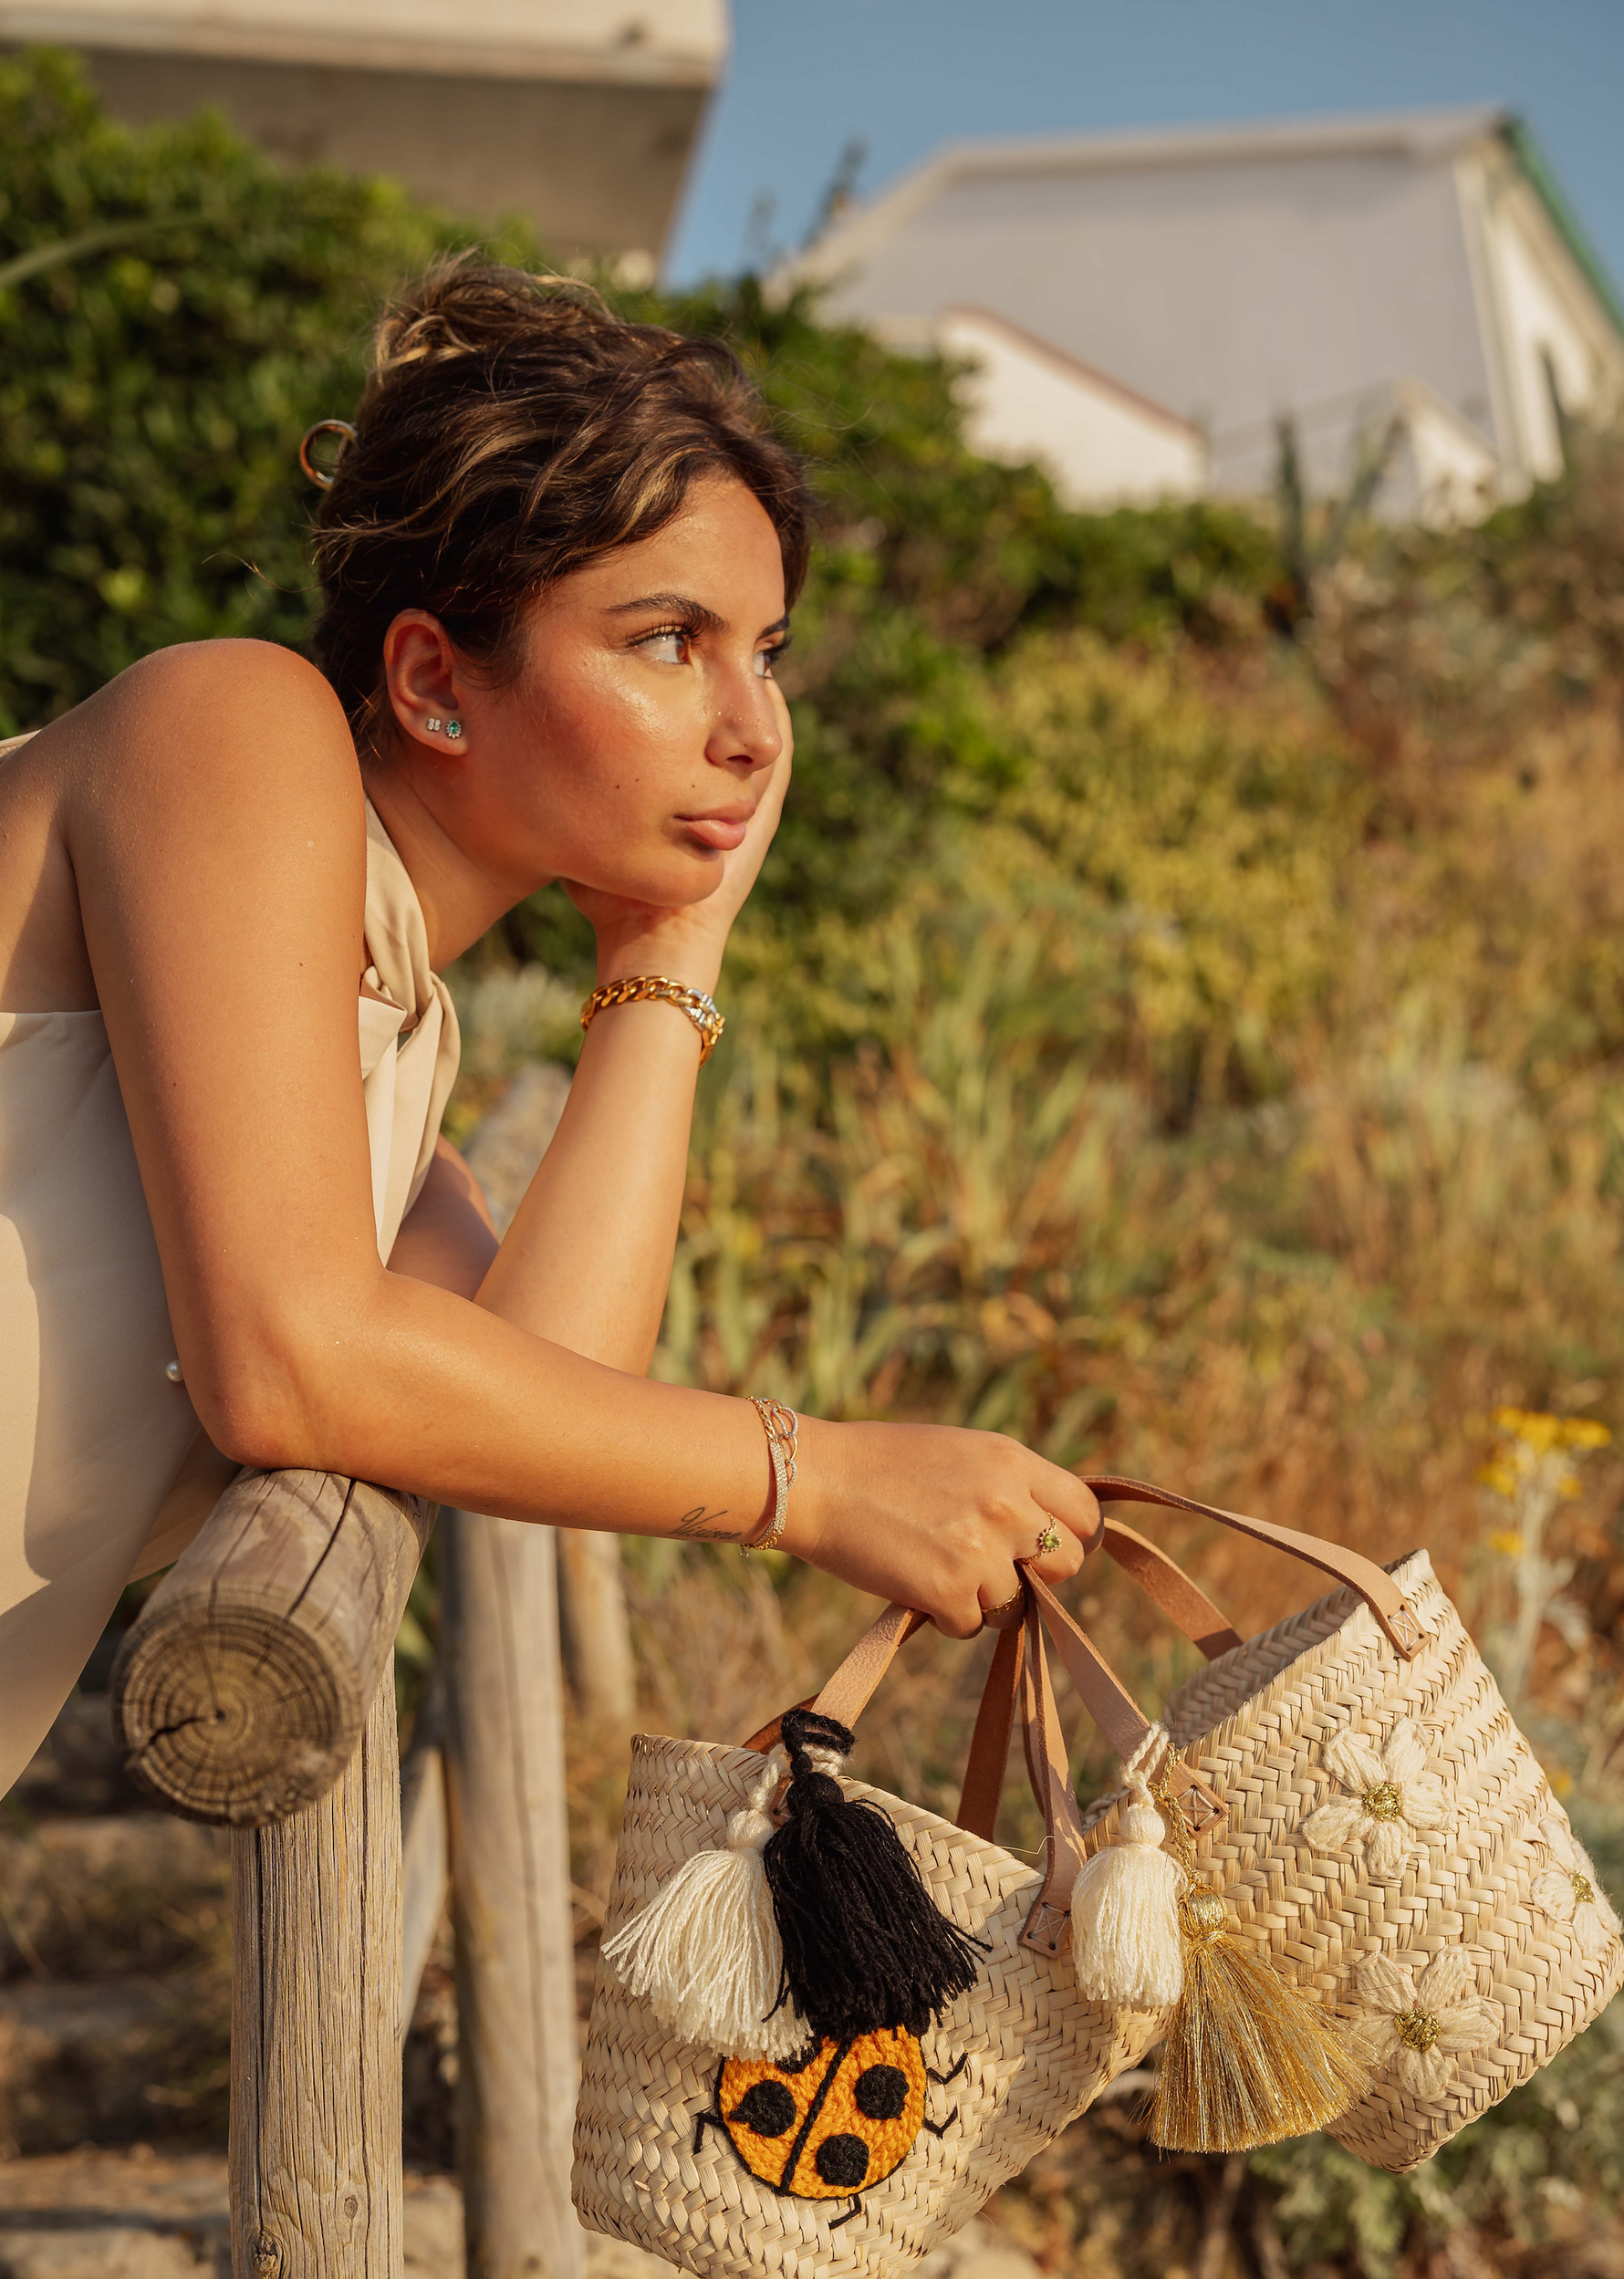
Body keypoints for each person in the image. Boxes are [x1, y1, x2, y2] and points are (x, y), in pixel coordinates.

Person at [0, 257, 1099, 1796]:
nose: (756, 727)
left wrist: (670, 949)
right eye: (670, 641)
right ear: (436, 680)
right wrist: (822, 1475)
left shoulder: (387, 1040)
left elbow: (547, 1397)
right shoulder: (228, 725)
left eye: (765, 653)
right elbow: (290, 1355)